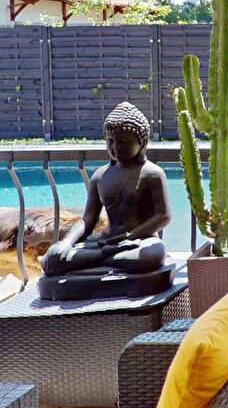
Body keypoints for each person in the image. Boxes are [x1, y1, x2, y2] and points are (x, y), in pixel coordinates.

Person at [41, 102, 171, 285]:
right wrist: (66, 243)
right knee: (52, 259)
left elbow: (163, 217)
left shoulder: (152, 174)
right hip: (106, 241)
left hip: (140, 241)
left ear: (142, 142)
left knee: (151, 256)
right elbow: (88, 220)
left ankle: (94, 259)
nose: (115, 147)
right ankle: (105, 256)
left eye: (123, 142)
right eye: (110, 141)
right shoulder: (100, 176)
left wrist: (129, 236)